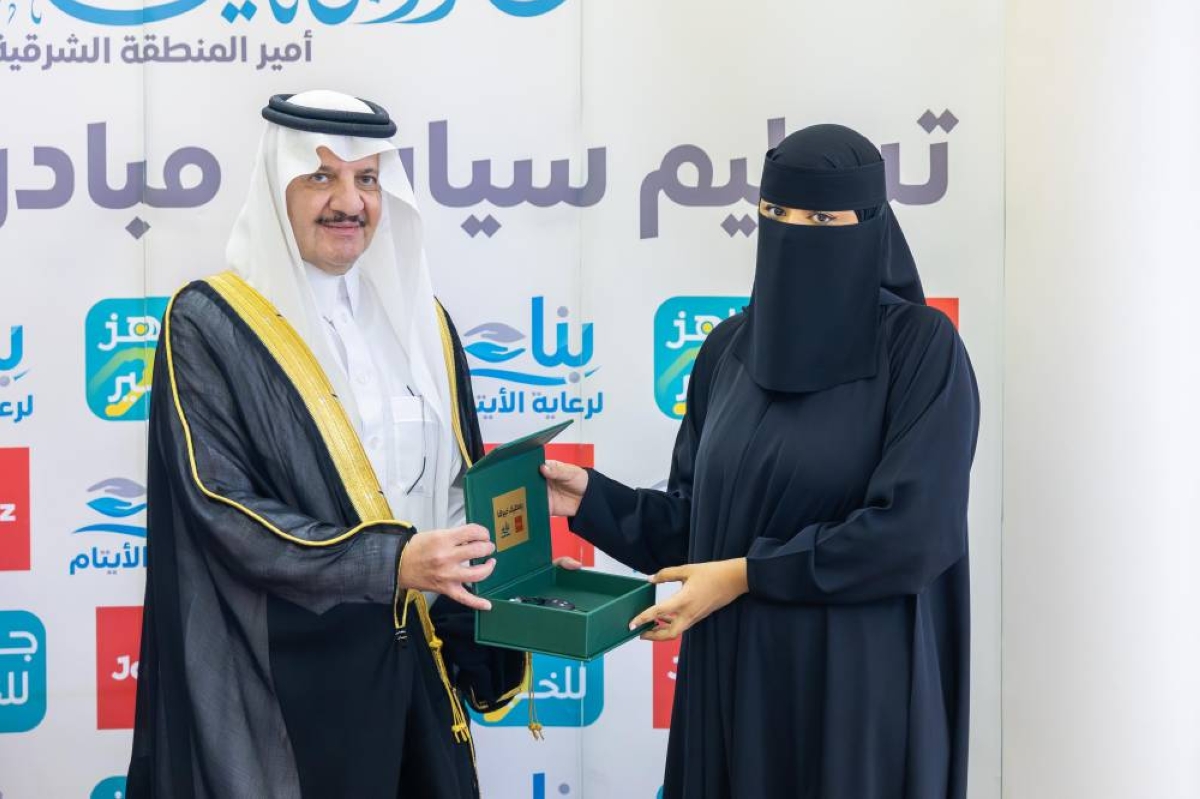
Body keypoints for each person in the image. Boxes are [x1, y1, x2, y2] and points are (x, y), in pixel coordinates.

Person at [542, 124, 980, 799]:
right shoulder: (727, 351)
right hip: (730, 681)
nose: (794, 232)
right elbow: (699, 529)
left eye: (822, 218)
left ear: (871, 224)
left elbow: (912, 533)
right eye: (776, 212)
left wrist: (747, 575)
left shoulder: (919, 349)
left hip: (851, 691)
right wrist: (591, 500)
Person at [126, 90, 529, 798]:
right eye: (321, 176)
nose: (350, 202)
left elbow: (458, 490)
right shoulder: (211, 322)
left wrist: (515, 556)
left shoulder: (422, 322)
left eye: (366, 178)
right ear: (276, 187)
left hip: (413, 670)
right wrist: (390, 562)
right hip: (286, 688)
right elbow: (221, 506)